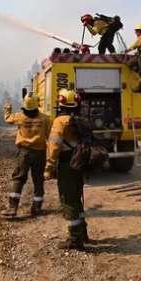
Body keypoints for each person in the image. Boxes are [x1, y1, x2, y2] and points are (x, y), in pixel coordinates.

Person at [44, 88, 88, 250]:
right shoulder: (81, 119)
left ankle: (75, 239)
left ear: (61, 102)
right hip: (80, 162)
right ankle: (83, 232)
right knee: (77, 196)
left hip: (66, 163)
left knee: (68, 200)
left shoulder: (59, 122)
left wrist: (49, 166)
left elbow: (54, 146)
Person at [1, 93, 51, 218]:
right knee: (38, 180)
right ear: (37, 104)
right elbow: (50, 136)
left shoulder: (19, 117)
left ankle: (12, 207)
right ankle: (37, 207)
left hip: (25, 153)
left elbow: (7, 119)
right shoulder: (45, 119)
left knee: (19, 179)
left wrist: (8, 108)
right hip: (40, 153)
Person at [125, 23, 141, 93]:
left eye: (136, 31)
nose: (136, 33)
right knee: (129, 64)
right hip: (140, 57)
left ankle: (140, 88)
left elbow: (134, 45)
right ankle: (140, 73)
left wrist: (126, 50)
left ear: (140, 31)